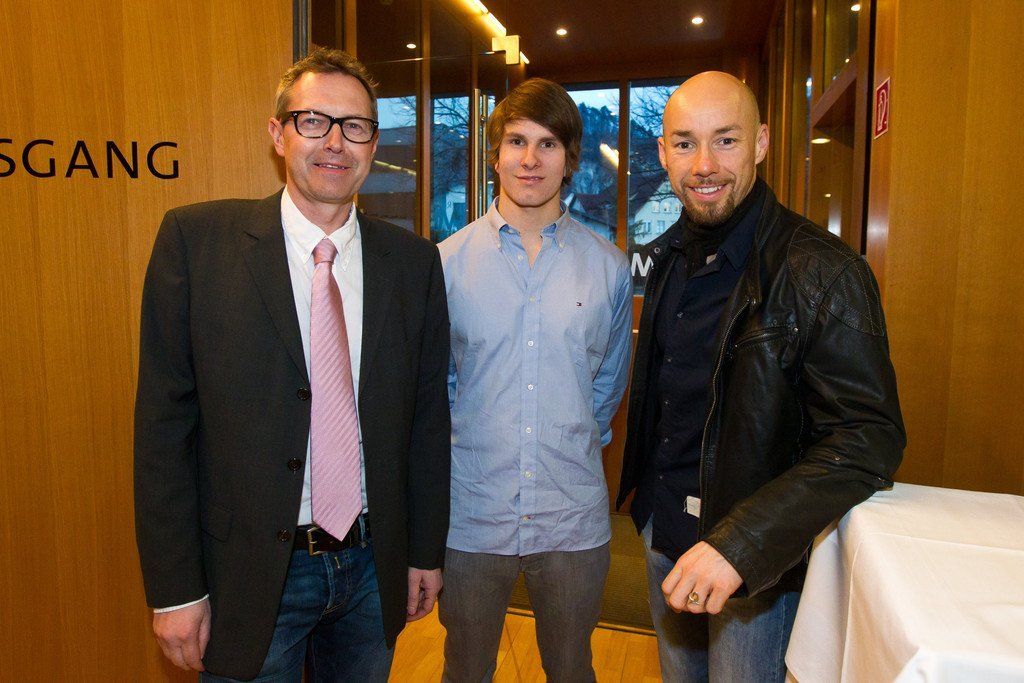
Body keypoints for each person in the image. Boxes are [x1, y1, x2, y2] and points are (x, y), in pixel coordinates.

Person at [133, 47, 451, 682]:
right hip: (247, 575)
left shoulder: (414, 263)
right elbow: (163, 431)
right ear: (278, 134)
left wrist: (423, 550)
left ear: (372, 144)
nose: (335, 142)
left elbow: (425, 420)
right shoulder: (196, 244)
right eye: (313, 121)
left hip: (372, 567)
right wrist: (175, 590)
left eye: (354, 126)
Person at [616, 71, 905, 682]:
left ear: (761, 143)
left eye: (725, 140)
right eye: (686, 143)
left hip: (756, 567)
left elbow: (868, 438)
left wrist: (741, 545)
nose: (704, 165)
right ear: (663, 153)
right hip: (665, 532)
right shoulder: (668, 257)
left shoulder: (822, 270)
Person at [437, 78, 632, 682]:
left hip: (570, 515)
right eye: (517, 141)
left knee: (572, 670)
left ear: (570, 159)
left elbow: (606, 388)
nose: (530, 159)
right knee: (464, 672)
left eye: (548, 144)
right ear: (494, 154)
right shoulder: (445, 265)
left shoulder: (608, 268)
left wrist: (567, 435)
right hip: (472, 514)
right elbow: (439, 388)